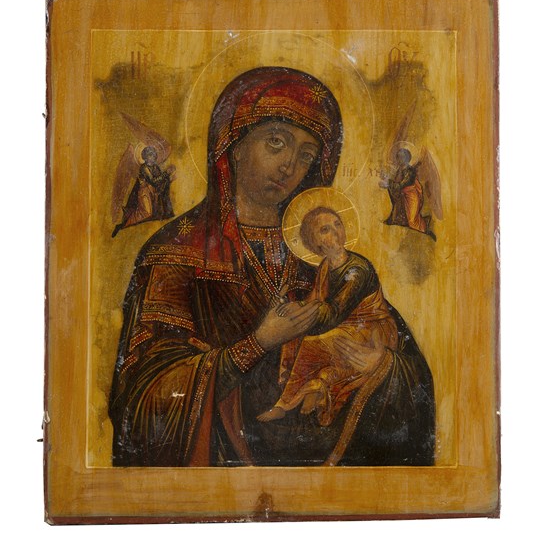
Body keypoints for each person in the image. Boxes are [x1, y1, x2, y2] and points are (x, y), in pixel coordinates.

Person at [109, 66, 435, 467]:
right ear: (234, 143)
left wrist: (380, 366)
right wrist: (258, 343)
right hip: (222, 477)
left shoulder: (320, 254)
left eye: (306, 155)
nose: (289, 166)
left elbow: (410, 372)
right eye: (276, 142)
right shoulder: (177, 252)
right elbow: (142, 402)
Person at [257, 206, 399, 428]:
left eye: (337, 224)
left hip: (370, 328)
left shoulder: (357, 269)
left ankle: (285, 404)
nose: (335, 232)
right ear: (314, 242)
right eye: (325, 229)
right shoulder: (325, 266)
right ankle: (315, 387)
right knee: (293, 339)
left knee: (314, 343)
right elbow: (316, 299)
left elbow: (334, 312)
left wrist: (300, 308)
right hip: (345, 325)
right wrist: (291, 308)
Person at [112, 146, 174, 237]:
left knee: (153, 214)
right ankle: (122, 225)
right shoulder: (144, 168)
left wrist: (169, 178)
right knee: (146, 213)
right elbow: (153, 181)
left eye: (153, 156)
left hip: (153, 193)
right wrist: (166, 173)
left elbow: (160, 180)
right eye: (150, 156)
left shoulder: (156, 167)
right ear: (145, 157)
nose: (152, 158)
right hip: (144, 193)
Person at [380, 147, 435, 240]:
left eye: (402, 157)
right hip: (402, 195)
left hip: (411, 196)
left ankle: (425, 227)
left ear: (407, 158)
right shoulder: (399, 170)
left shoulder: (410, 171)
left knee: (412, 221)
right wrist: (386, 178)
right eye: (398, 157)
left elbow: (402, 185)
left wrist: (388, 183)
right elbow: (395, 182)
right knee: (398, 218)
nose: (399, 159)